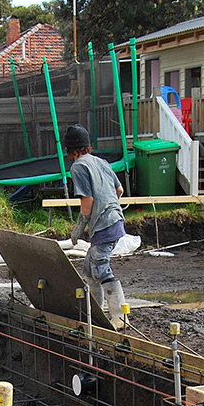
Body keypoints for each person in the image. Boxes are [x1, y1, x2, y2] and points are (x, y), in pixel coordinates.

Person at [63, 124, 129, 329]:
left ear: (70, 150)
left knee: (100, 269)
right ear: (87, 146)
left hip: (104, 224)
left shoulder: (78, 167)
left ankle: (120, 317)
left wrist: (79, 227)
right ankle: (96, 313)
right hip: (114, 220)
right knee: (89, 270)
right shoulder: (102, 162)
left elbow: (88, 201)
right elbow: (119, 190)